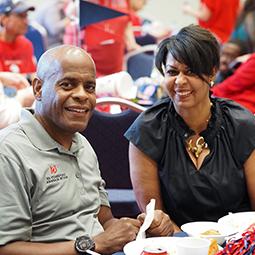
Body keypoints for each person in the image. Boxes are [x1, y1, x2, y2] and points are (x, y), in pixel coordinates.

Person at [0, 44, 174, 254]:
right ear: (38, 88)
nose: (82, 95)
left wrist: (138, 229)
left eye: (89, 87)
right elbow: (7, 248)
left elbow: (104, 222)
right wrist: (93, 245)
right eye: (67, 85)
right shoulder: (9, 152)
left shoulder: (82, 145)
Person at [125, 24, 255, 231]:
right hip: (177, 243)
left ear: (212, 72)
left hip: (240, 242)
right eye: (172, 72)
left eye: (191, 72)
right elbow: (155, 218)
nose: (180, 81)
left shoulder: (242, 124)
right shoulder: (147, 129)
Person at [0, 0, 36, 74]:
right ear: (4, 19)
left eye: (26, 16)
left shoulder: (26, 44)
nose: (26, 21)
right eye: (20, 16)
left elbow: (31, 76)